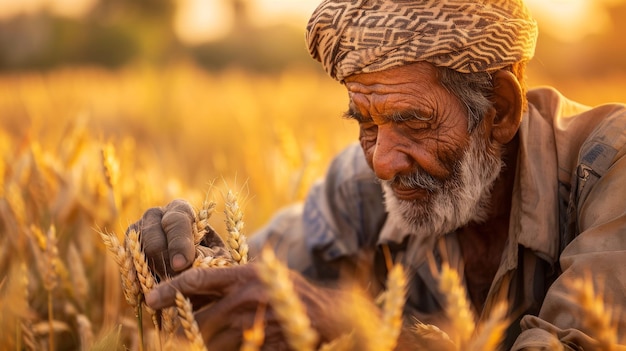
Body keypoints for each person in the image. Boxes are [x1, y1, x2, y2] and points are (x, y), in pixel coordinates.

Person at [129, 0, 626, 349]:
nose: (383, 162)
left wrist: (361, 329)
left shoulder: (611, 168)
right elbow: (261, 281)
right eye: (366, 123)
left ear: (499, 110)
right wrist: (197, 269)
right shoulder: (359, 187)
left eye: (412, 121)